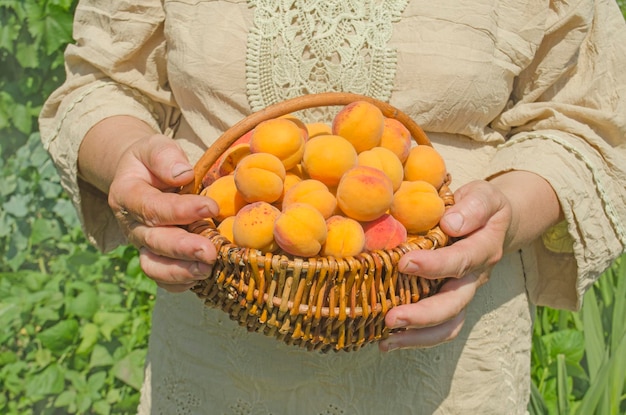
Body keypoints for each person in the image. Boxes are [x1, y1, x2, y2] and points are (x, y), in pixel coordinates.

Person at [39, 1, 626, 414]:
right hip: (215, 348)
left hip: (449, 370)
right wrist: (126, 161)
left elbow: (589, 119)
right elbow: (103, 81)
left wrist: (508, 214)